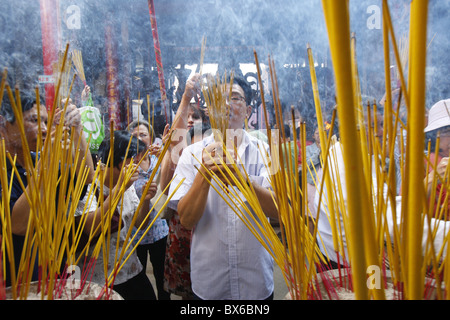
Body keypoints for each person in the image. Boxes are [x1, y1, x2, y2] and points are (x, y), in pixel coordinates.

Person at [168, 75, 278, 300]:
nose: (226, 103)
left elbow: (281, 211)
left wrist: (244, 181)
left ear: (247, 111)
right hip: (210, 285)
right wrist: (204, 174)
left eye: (235, 98)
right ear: (210, 110)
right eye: (220, 99)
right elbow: (187, 220)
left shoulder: (269, 151)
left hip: (255, 284)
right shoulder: (191, 154)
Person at [0, 92, 94, 287]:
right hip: (18, 284)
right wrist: (47, 163)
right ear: (4, 125)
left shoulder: (40, 162)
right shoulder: (5, 170)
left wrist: (77, 129)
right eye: (34, 120)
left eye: (46, 122)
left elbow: (86, 176)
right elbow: (18, 226)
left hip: (57, 273)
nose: (44, 129)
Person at [74, 130, 158, 300]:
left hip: (131, 268)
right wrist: (120, 188)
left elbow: (139, 224)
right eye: (135, 158)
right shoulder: (89, 185)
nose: (139, 163)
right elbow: (90, 229)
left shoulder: (128, 180)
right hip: (99, 278)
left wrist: (146, 200)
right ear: (118, 158)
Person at [161, 74, 204, 300]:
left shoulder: (209, 143)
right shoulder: (181, 149)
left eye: (194, 117)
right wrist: (186, 98)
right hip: (181, 226)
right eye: (186, 117)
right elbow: (164, 188)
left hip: (205, 225)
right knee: (189, 290)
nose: (189, 120)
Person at [127, 119, 170, 300]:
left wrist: (167, 152)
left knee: (163, 281)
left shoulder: (159, 158)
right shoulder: (126, 166)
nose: (139, 138)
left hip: (160, 230)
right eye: (134, 136)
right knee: (139, 281)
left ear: (151, 138)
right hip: (136, 235)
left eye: (143, 134)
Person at [423, 99, 450, 220]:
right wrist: (434, 177)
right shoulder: (421, 163)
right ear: (433, 136)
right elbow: (405, 207)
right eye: (447, 131)